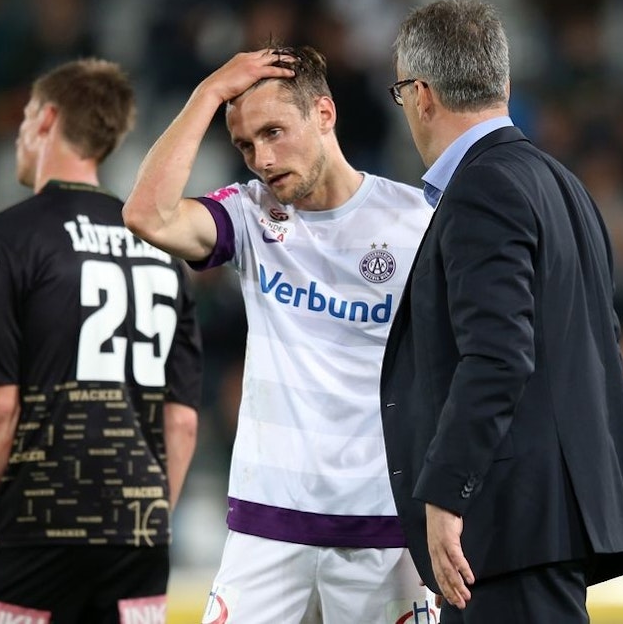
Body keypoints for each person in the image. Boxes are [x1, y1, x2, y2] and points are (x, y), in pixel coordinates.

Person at [123, 45, 436, 623]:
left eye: (273, 132)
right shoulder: (248, 214)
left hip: (384, 530)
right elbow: (148, 214)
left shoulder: (418, 220)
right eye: (245, 145)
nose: (262, 159)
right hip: (265, 530)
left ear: (324, 113)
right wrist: (207, 93)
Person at [379, 0, 623, 623]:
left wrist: (446, 494)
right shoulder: (563, 185)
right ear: (502, 84)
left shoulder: (482, 187)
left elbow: (499, 356)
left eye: (400, 93)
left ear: (421, 95)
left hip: (509, 529)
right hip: (545, 527)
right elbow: (604, 359)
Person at [0, 58, 203, 624]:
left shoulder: (6, 238)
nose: (19, 134)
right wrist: (147, 523)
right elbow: (181, 423)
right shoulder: (163, 251)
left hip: (35, 528)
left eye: (26, 116)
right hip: (139, 542)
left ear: (46, 119)